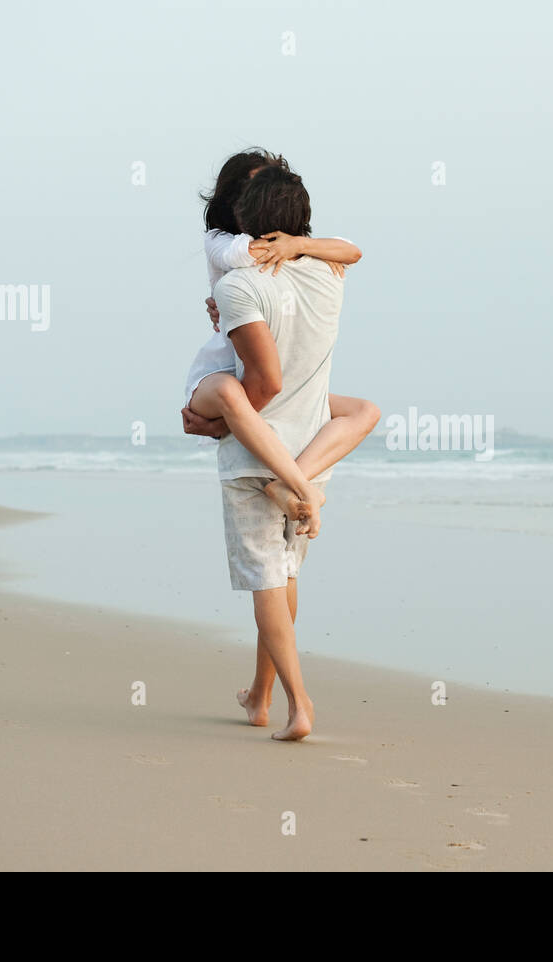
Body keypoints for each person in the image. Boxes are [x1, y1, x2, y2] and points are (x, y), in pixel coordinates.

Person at [209, 163, 346, 741]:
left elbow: (259, 384)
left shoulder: (239, 285)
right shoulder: (328, 275)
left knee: (267, 582)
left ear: (245, 223)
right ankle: (260, 697)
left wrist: (217, 418)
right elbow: (349, 250)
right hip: (311, 452)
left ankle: (300, 705)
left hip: (256, 457)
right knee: (286, 575)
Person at [181, 149, 379, 537]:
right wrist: (297, 246)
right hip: (227, 365)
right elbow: (244, 254)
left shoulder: (295, 251)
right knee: (232, 391)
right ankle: (292, 478)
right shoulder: (219, 239)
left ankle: (293, 483)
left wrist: (298, 245)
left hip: (277, 376)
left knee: (364, 411)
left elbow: (353, 251)